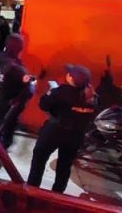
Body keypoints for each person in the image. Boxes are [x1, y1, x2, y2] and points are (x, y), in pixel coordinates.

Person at [27, 64, 98, 193]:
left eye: (69, 74)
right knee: (64, 166)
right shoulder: (94, 97)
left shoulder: (60, 92)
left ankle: (32, 191)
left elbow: (43, 105)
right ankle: (58, 195)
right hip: (76, 136)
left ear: (71, 78)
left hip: (54, 132)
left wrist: (50, 92)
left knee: (39, 159)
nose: (67, 75)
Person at [0, 34, 33, 175]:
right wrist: (31, 83)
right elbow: (29, 91)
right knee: (6, 139)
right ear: (20, 49)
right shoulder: (17, 69)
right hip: (7, 107)